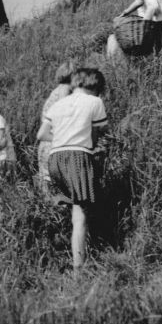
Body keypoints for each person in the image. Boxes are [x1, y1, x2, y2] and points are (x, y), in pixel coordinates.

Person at [36, 67, 109, 271]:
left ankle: (60, 241)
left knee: (72, 203)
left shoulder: (58, 104)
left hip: (55, 160)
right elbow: (101, 131)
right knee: (80, 215)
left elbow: (41, 134)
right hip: (77, 158)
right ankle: (79, 268)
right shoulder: (94, 101)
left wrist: (62, 137)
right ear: (97, 86)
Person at [36, 63, 75, 194]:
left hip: (46, 142)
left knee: (46, 183)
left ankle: (45, 205)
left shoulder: (56, 91)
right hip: (55, 143)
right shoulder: (66, 89)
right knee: (61, 185)